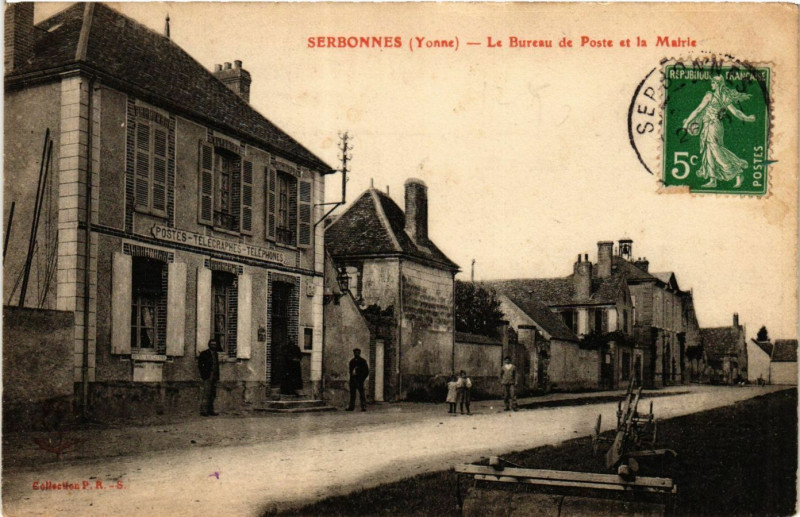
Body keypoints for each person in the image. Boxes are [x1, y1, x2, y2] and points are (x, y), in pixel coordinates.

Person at [682, 75, 756, 189]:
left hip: (712, 126)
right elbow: (736, 112)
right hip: (714, 126)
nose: (711, 84)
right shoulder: (724, 97)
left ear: (717, 84)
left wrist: (687, 123)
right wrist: (747, 118)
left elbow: (698, 110)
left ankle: (736, 171)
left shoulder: (710, 96)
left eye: (713, 83)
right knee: (709, 151)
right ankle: (713, 179)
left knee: (715, 151)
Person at [198, 339, 221, 416]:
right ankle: (204, 411)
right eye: (212, 344)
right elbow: (200, 365)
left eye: (214, 344)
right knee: (206, 394)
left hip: (214, 376)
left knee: (213, 394)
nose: (213, 346)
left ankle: (211, 410)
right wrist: (203, 375)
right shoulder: (204, 353)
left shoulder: (216, 354)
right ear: (209, 345)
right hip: (208, 376)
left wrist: (217, 376)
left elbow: (216, 365)